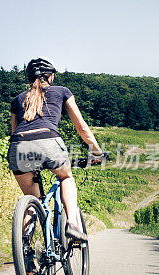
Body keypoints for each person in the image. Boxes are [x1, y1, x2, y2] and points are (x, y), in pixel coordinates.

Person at [8, 58, 104, 241]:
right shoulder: (62, 92)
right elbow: (81, 127)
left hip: (18, 147)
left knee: (31, 200)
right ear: (51, 77)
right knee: (66, 176)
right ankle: (73, 224)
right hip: (49, 141)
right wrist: (97, 152)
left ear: (29, 78)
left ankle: (25, 253)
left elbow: (15, 133)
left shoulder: (16, 100)